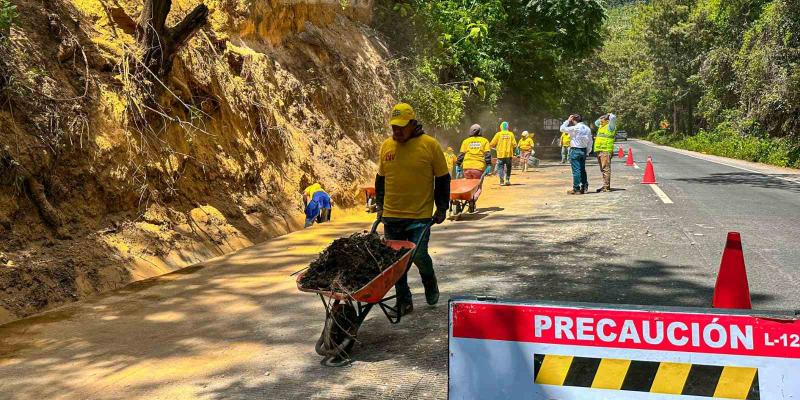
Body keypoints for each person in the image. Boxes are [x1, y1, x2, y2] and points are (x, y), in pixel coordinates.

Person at [375, 103, 450, 317]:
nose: (397, 131)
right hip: (392, 215)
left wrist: (442, 207)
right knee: (396, 264)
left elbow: (442, 179)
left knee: (419, 255)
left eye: (401, 126)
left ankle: (429, 279)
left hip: (420, 215)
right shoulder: (387, 146)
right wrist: (380, 206)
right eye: (394, 127)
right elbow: (380, 179)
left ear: (412, 124)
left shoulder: (429, 145)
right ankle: (404, 301)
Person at [560, 114, 593, 195]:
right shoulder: (587, 128)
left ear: (573, 120)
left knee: (576, 170)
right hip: (583, 150)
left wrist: (567, 120)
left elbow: (562, 128)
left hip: (575, 150)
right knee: (582, 169)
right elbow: (590, 141)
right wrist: (588, 151)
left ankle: (576, 188)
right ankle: (584, 187)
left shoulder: (575, 128)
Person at [593, 113, 617, 192]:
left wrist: (610, 115)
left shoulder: (610, 126)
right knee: (603, 169)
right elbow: (596, 122)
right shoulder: (601, 126)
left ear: (607, 120)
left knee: (606, 169)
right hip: (599, 150)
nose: (600, 121)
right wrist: (603, 116)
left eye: (602, 119)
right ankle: (605, 185)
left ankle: (606, 187)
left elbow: (613, 118)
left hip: (606, 150)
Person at [490, 121, 517, 186]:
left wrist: (492, 147)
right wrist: (516, 153)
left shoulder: (498, 134)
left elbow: (492, 144)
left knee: (501, 168)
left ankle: (501, 181)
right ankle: (507, 180)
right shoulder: (511, 134)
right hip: (509, 154)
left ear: (501, 127)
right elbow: (514, 144)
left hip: (500, 155)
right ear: (507, 127)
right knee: (508, 167)